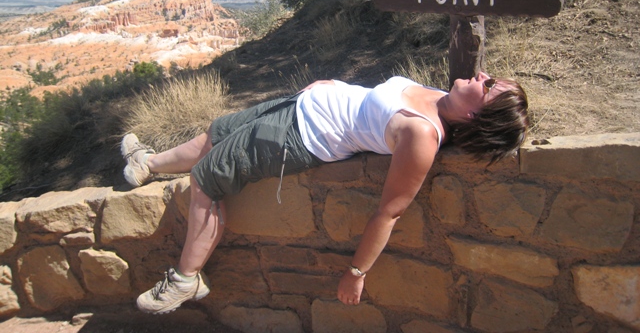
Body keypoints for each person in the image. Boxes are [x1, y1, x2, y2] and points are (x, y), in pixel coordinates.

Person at [121, 73, 529, 314]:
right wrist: (333, 84)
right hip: (302, 107)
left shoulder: (423, 134)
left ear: (476, 115)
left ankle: (185, 279)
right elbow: (370, 106)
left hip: (301, 136)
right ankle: (149, 163)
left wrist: (356, 272)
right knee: (217, 132)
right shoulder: (440, 97)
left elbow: (390, 211)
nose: (481, 75)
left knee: (207, 181)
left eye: (488, 85)